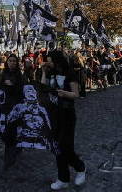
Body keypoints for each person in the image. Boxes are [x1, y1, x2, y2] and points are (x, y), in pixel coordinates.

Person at [41, 51, 86, 190]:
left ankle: (80, 168)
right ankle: (63, 178)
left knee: (66, 146)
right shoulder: (51, 72)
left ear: (58, 61)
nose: (48, 63)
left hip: (67, 114)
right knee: (57, 147)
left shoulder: (70, 73)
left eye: (50, 61)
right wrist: (43, 72)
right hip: (54, 114)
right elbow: (43, 87)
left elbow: (76, 94)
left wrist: (64, 93)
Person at [0, 54, 24, 169]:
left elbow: (20, 90)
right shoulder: (4, 73)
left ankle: (9, 155)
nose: (12, 63)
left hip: (16, 106)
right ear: (7, 62)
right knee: (5, 131)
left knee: (12, 130)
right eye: (10, 61)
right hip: (5, 106)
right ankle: (12, 150)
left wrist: (11, 85)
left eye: (14, 61)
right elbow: (0, 87)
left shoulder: (19, 75)